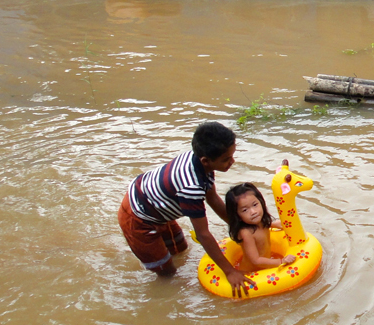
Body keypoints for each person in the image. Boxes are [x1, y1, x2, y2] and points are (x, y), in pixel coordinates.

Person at [117, 121, 255, 297]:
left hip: (156, 203)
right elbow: (203, 234)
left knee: (180, 250)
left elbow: (212, 198)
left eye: (232, 155)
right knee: (166, 271)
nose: (232, 162)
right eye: (226, 159)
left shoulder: (201, 161)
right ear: (206, 161)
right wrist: (229, 271)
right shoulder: (191, 187)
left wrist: (239, 226)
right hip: (138, 217)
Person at [225, 182, 296, 272]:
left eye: (255, 205)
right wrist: (281, 261)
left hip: (265, 265)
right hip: (252, 272)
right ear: (237, 215)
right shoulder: (246, 233)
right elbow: (256, 260)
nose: (253, 211)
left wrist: (274, 224)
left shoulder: (260, 221)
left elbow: (262, 227)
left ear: (261, 202)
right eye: (245, 210)